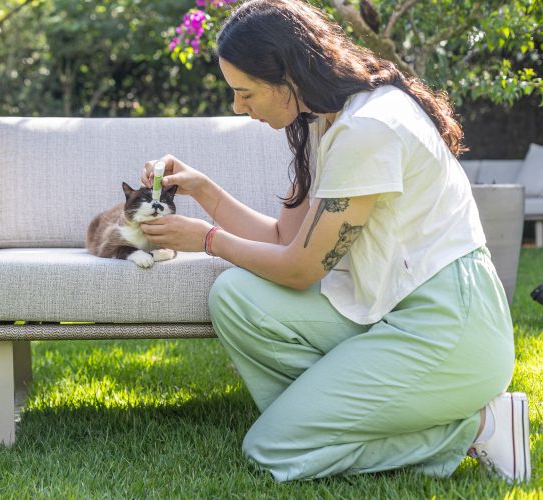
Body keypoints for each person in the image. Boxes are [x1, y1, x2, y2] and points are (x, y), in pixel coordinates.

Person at [140, 0, 530, 483]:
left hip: (447, 326)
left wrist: (208, 240)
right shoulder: (323, 118)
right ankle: (342, 416)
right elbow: (286, 239)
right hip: (383, 307)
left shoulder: (368, 127)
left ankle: (475, 427)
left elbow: (302, 268)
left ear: (287, 77)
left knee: (271, 448)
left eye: (245, 93)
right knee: (237, 297)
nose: (238, 107)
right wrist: (203, 189)